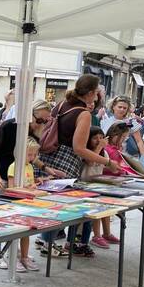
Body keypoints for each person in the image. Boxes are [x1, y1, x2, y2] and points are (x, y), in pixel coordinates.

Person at [38, 75, 121, 257]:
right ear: (91, 93)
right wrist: (108, 162)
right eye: (97, 92)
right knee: (60, 206)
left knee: (49, 204)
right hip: (65, 162)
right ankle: (49, 244)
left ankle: (46, 242)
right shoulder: (83, 114)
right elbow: (79, 148)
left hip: (47, 157)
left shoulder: (61, 104)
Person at [0, 100, 66, 265]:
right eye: (39, 120)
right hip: (2, 177)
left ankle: (16, 253)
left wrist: (47, 169)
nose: (41, 124)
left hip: (20, 182)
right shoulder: (8, 126)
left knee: (17, 218)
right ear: (30, 114)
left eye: (45, 121)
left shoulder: (33, 132)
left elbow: (31, 156)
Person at [81, 127, 120, 249]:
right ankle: (96, 236)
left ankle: (107, 233)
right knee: (97, 207)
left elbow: (106, 166)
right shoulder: (86, 151)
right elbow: (91, 162)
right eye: (95, 138)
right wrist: (100, 146)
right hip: (84, 186)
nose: (99, 140)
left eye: (101, 138)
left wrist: (118, 167)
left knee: (106, 206)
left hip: (97, 184)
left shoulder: (104, 152)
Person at [7, 139, 41, 272]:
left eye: (34, 155)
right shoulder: (13, 166)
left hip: (28, 204)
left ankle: (25, 257)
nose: (32, 158)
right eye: (29, 154)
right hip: (16, 205)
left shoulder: (29, 166)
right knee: (15, 233)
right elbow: (11, 188)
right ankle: (13, 258)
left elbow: (30, 183)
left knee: (27, 232)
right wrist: (28, 187)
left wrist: (34, 185)